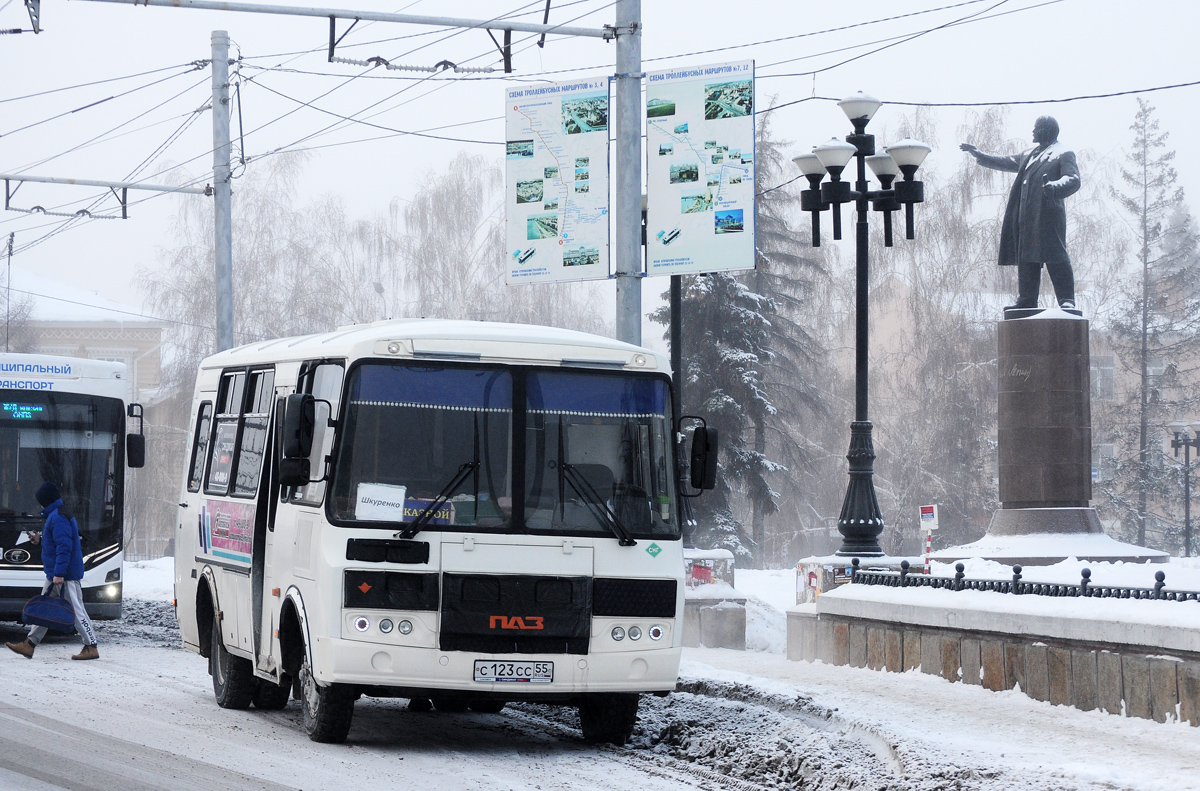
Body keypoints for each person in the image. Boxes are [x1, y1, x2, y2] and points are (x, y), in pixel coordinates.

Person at [961, 116, 1081, 311]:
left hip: (1048, 217)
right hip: (1026, 218)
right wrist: (980, 155)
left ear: (1046, 130)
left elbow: (1073, 179)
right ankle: (1027, 300)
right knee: (1026, 258)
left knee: (1056, 256)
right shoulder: (1029, 154)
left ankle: (1067, 300)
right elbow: (1006, 161)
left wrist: (1054, 187)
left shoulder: (1063, 153)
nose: (1033, 132)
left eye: (1036, 128)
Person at [5, 481, 99, 660]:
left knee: (76, 610)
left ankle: (91, 645)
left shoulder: (57, 518)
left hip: (64, 575)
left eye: (40, 500)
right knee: (44, 608)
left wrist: (59, 573)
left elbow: (65, 547)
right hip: (57, 572)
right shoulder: (57, 515)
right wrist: (40, 540)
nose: (39, 504)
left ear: (46, 500)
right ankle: (30, 644)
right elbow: (59, 542)